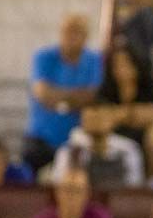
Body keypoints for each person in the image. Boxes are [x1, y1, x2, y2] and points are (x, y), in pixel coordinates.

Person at [23, 14, 105, 174]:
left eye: (77, 32)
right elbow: (42, 94)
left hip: (79, 140)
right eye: (67, 31)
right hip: (42, 138)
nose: (71, 37)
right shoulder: (44, 56)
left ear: (86, 36)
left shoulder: (94, 59)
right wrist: (74, 98)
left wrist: (57, 98)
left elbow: (91, 96)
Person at [97, 46, 153, 165]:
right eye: (117, 64)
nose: (122, 69)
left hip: (143, 132)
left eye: (126, 63)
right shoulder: (107, 88)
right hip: (112, 133)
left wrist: (121, 114)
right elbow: (100, 115)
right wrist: (133, 114)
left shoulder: (150, 85)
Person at [51, 102, 145, 189]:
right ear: (82, 122)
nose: (96, 123)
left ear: (111, 120)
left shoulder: (128, 149)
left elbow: (134, 188)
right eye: (91, 119)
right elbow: (59, 185)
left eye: (100, 118)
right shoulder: (69, 150)